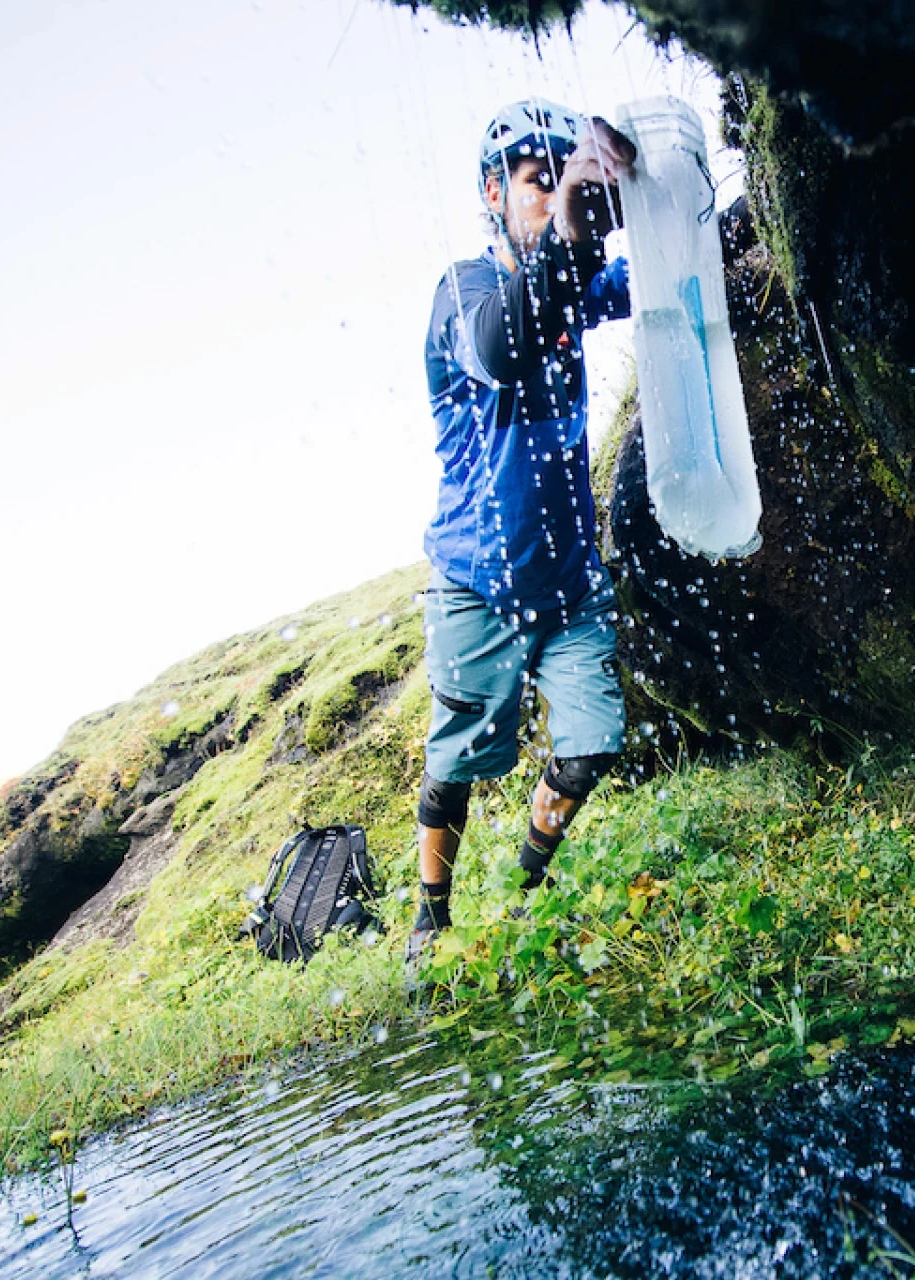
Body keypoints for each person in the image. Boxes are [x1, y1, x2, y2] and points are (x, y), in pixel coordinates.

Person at [406, 99, 638, 966]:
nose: (554, 199)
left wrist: (708, 212)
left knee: (589, 749)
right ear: (493, 193)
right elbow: (504, 346)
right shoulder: (462, 292)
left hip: (570, 582)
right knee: (459, 763)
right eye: (539, 184)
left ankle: (525, 891)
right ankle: (430, 921)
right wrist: (574, 240)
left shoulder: (573, 279)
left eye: (564, 182)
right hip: (475, 583)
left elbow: (649, 279)